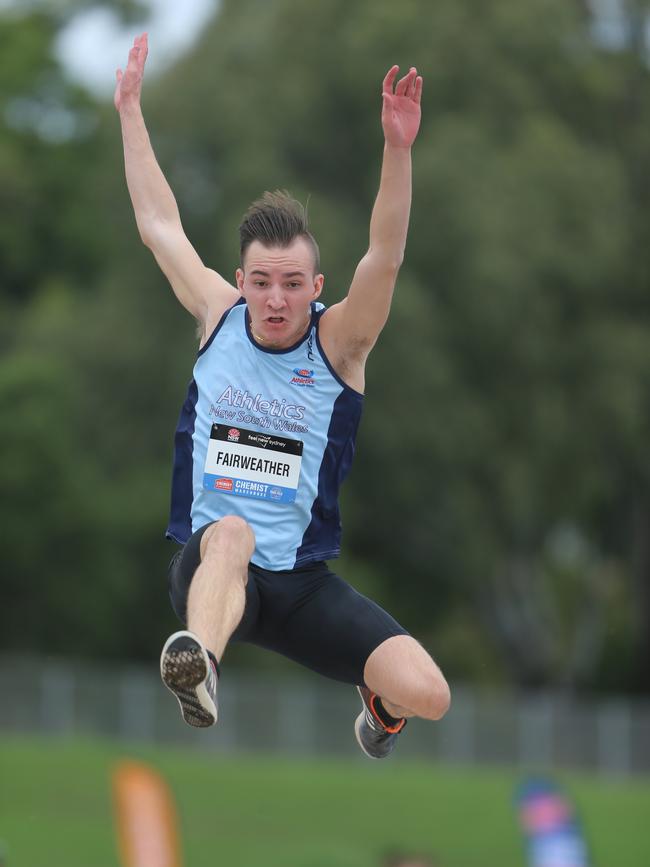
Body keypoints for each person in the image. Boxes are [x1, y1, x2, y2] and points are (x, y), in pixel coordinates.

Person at [115, 33, 450, 759]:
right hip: (211, 569)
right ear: (240, 280)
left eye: (292, 284)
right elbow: (158, 225)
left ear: (316, 289)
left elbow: (385, 256)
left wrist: (398, 149)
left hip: (298, 584)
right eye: (261, 282)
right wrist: (130, 110)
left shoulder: (341, 345)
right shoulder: (217, 316)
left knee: (432, 692)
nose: (275, 299)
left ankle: (381, 711)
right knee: (231, 533)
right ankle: (199, 667)